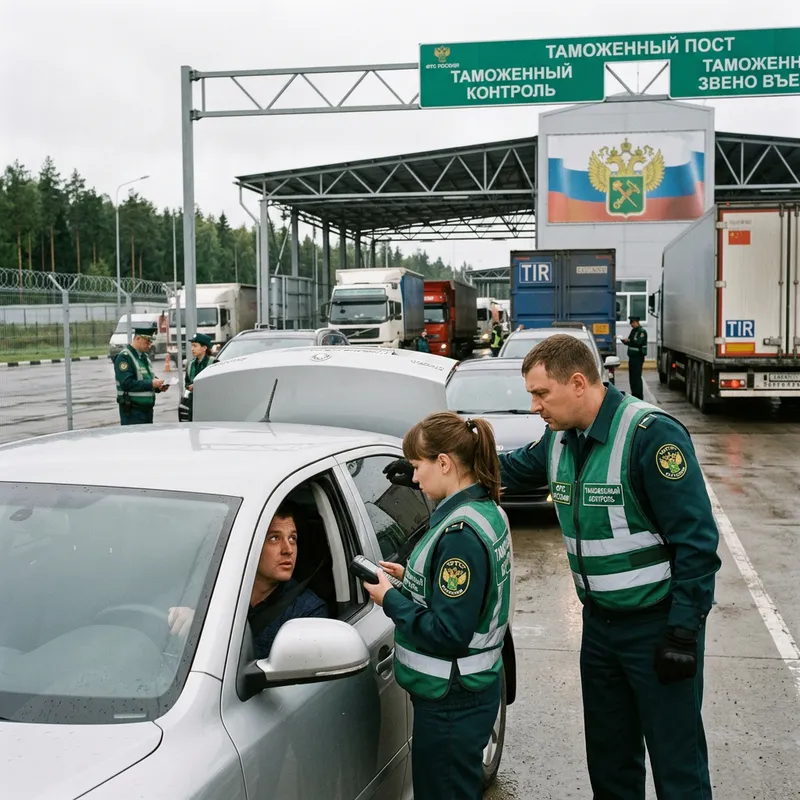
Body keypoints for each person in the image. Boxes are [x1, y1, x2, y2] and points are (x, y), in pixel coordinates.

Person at [385, 334, 721, 799]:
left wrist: (683, 630)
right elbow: (509, 467)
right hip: (601, 629)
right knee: (610, 759)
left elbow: (697, 544)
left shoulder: (650, 436)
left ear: (578, 383)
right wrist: (431, 473)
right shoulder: (560, 439)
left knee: (676, 762)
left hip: (658, 626)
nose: (534, 407)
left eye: (541, 394)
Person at [364, 412, 511, 800]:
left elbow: (448, 633)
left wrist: (389, 598)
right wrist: (411, 577)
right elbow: (461, 596)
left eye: (417, 466)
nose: (413, 478)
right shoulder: (484, 511)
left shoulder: (460, 534)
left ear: (443, 463)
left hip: (452, 701)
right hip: (466, 692)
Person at [169, 500, 327, 657]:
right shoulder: (212, 592)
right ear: (250, 545)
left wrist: (205, 632)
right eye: (274, 538)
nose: (288, 550)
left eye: (292, 538)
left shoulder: (308, 613)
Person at [114, 322, 168, 425]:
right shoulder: (125, 357)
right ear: (138, 338)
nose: (150, 344)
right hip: (132, 412)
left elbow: (146, 377)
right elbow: (127, 383)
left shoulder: (144, 357)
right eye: (147, 341)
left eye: (150, 341)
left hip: (147, 411)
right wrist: (152, 383)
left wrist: (159, 386)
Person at [182, 332, 216, 422]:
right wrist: (189, 386)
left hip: (209, 403)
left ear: (204, 348)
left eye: (195, 346)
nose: (192, 349)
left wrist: (198, 386)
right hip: (193, 403)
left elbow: (217, 384)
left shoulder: (214, 363)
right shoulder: (190, 364)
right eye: (192, 346)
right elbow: (187, 382)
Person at [622, 315, 648, 400]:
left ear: (637, 322)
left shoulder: (641, 332)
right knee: (632, 378)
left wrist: (629, 341)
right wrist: (624, 341)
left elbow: (637, 342)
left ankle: (639, 396)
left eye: (633, 323)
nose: (632, 324)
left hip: (638, 358)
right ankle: (634, 394)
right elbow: (630, 341)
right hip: (632, 357)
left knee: (637, 377)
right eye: (631, 323)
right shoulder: (633, 331)